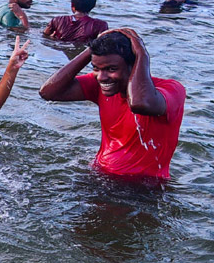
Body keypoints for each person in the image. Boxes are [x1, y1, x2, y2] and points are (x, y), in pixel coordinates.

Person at [38, 29, 184, 180]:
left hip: (141, 188)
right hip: (98, 173)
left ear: (133, 65)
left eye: (111, 69)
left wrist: (141, 54)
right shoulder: (101, 85)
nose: (102, 77)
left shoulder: (171, 90)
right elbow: (48, 92)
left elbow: (139, 103)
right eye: (96, 68)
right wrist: (92, 49)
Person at [43, 0, 108, 44]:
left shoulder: (56, 20)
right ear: (93, 6)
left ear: (72, 4)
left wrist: (52, 39)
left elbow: (44, 36)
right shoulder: (100, 25)